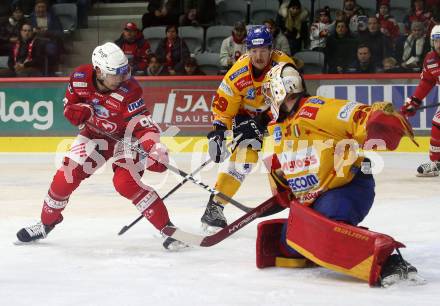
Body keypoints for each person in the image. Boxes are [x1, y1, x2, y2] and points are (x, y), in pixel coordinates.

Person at [256, 62, 421, 287]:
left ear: (281, 90)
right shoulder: (279, 126)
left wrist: (379, 117)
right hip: (314, 198)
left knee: (327, 229)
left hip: (348, 187)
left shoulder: (315, 109)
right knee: (289, 243)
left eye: (270, 91)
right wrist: (282, 185)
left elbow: (356, 116)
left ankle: (388, 261)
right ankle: (338, 238)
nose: (268, 99)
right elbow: (283, 162)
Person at [15, 42, 186, 251]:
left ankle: (167, 228)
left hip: (127, 137)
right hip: (95, 135)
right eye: (117, 74)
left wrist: (154, 148)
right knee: (64, 178)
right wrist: (76, 111)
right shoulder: (79, 78)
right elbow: (69, 107)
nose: (123, 78)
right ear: (98, 71)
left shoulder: (130, 89)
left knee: (125, 182)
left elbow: (142, 125)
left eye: (125, 72)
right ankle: (45, 224)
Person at [200, 25, 301, 232]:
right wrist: (218, 134)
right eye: (254, 51)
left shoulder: (284, 68)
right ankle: (215, 207)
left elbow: (290, 104)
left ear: (271, 49)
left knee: (291, 147)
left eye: (263, 49)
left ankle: (301, 192)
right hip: (243, 116)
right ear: (247, 50)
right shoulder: (237, 74)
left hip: (275, 116)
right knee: (245, 162)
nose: (259, 55)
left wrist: (262, 121)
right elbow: (223, 109)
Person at [401, 25, 440, 176]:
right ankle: (436, 163)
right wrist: (414, 101)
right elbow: (427, 83)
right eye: (436, 40)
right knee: (438, 123)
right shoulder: (430, 60)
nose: (439, 44)